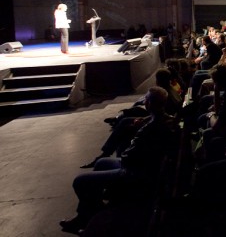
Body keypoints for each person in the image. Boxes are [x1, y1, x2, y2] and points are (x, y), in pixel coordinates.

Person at [59, 86, 179, 234]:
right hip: (147, 166)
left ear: (148, 103)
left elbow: (127, 158)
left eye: (146, 99)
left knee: (80, 181)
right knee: (101, 163)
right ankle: (88, 213)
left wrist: (132, 138)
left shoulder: (149, 129)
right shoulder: (166, 120)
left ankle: (92, 212)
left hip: (137, 173)